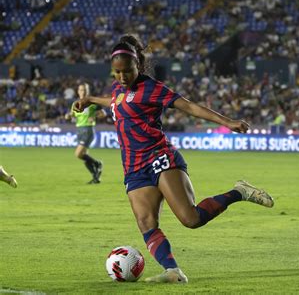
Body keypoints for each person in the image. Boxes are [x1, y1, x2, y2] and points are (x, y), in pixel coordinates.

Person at [73, 35, 274, 283]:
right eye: (117, 73)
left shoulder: (152, 88)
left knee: (191, 219)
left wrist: (227, 122)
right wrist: (91, 99)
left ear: (138, 65)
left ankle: (240, 191)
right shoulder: (117, 90)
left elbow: (189, 107)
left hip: (160, 156)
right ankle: (173, 271)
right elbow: (113, 102)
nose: (122, 77)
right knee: (146, 223)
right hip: (134, 168)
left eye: (127, 71)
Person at [66, 83, 104, 184]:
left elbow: (103, 113)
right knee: (83, 155)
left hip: (88, 129)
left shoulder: (92, 103)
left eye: (84, 90)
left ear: (87, 91)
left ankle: (97, 163)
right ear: (78, 91)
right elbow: (72, 115)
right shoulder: (75, 103)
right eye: (81, 90)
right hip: (79, 130)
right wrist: (69, 116)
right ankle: (95, 177)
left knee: (78, 154)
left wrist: (95, 116)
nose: (82, 92)